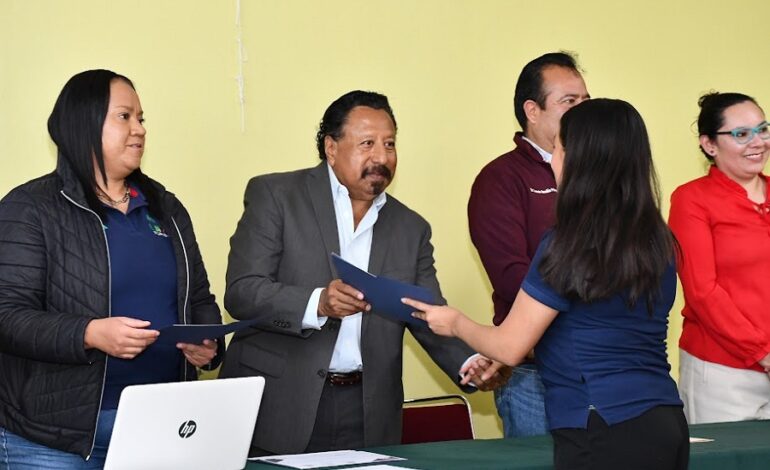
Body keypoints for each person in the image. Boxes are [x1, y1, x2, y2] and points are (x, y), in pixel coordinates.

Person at [406, 99, 688, 470]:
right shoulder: (658, 240)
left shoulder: (567, 241)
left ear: (580, 161)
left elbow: (509, 346)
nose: (553, 159)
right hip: (664, 421)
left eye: (558, 148)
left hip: (599, 424)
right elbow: (590, 326)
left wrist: (455, 322)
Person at [220, 90, 506, 456]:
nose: (381, 157)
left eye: (390, 144)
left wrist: (472, 362)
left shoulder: (411, 228)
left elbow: (427, 314)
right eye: (367, 143)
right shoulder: (276, 195)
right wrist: (318, 303)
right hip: (280, 403)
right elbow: (242, 291)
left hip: (369, 412)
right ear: (331, 147)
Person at [0, 69, 224, 467]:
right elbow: (7, 315)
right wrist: (89, 333)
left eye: (141, 118)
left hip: (160, 426)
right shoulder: (30, 208)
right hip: (51, 440)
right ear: (83, 123)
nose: (139, 129)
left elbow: (200, 298)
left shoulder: (166, 208)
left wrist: (208, 346)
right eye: (125, 117)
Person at [467, 51, 589, 437]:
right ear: (532, 111)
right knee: (542, 461)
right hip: (534, 373)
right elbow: (512, 278)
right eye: (569, 102)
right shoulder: (501, 178)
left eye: (586, 101)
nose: (582, 112)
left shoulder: (597, 174)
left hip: (599, 364)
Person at [669, 92, 770, 424]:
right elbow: (702, 292)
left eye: (763, 129)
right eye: (741, 134)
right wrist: (763, 352)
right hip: (722, 374)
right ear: (709, 144)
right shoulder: (692, 199)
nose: (758, 142)